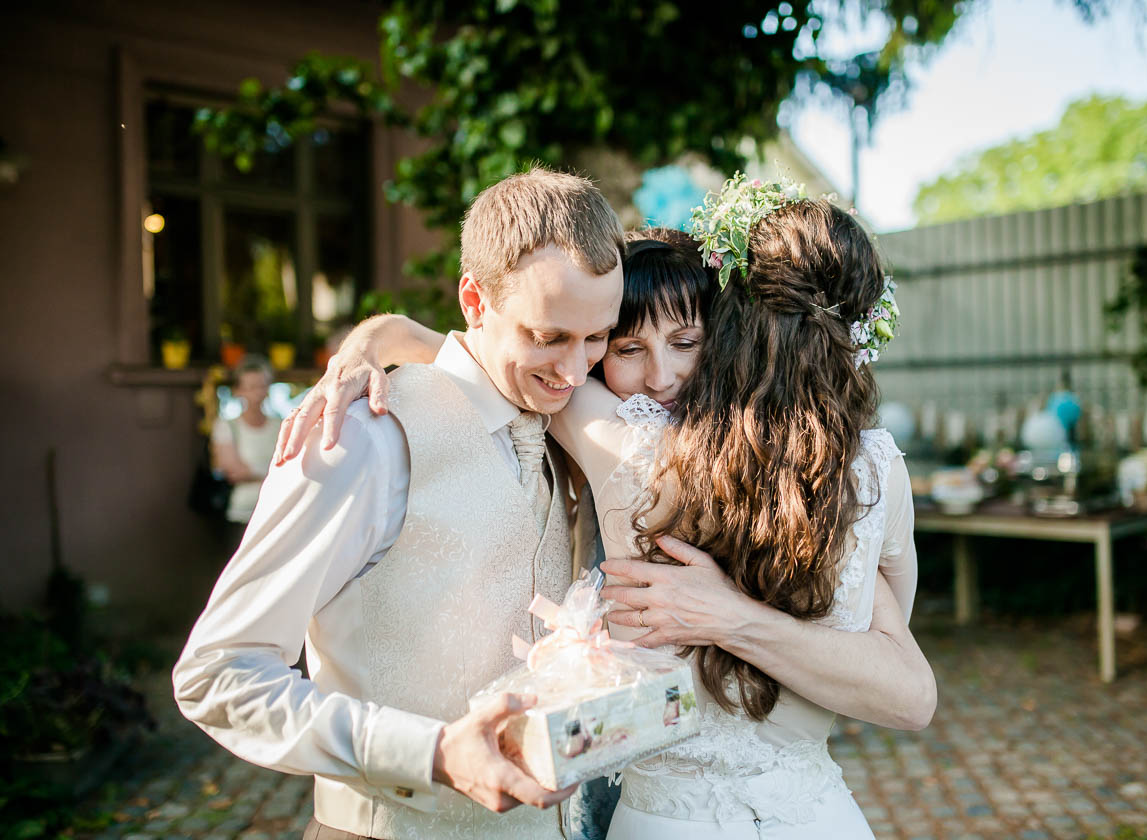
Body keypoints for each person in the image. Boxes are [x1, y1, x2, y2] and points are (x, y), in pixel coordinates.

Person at [284, 179, 934, 838]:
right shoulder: (873, 471)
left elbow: (490, 357)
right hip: (817, 813)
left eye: (685, 342)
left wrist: (376, 339)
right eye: (625, 347)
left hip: (668, 820)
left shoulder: (625, 443)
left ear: (725, 330)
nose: (660, 376)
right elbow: (893, 654)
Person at [173, 167, 630, 840]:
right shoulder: (360, 436)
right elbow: (217, 673)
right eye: (549, 336)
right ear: (474, 300)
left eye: (597, 337)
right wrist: (430, 754)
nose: (574, 370)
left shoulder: (558, 427)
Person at [211, 355, 282, 536]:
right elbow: (233, 471)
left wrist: (253, 473)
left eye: (262, 386)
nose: (257, 393)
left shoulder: (280, 425)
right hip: (241, 514)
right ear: (238, 390)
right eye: (251, 387)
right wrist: (272, 473)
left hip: (276, 512)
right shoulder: (227, 425)